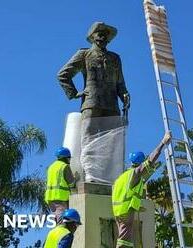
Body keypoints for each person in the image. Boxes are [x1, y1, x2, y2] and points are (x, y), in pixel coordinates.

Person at [57, 22, 130, 183]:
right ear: (92, 37)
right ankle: (90, 174)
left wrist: (124, 95)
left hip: (111, 105)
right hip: (91, 102)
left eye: (106, 35)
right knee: (88, 137)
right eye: (99, 34)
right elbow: (63, 75)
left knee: (112, 142)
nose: (103, 37)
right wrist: (75, 93)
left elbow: (120, 83)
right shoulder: (84, 54)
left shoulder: (115, 58)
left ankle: (109, 176)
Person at [112, 132, 172, 248]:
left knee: (126, 236)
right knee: (124, 238)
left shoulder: (123, 177)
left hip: (118, 210)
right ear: (140, 163)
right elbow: (150, 160)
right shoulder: (136, 173)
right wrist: (162, 143)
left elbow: (125, 194)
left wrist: (137, 206)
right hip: (125, 210)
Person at [45, 147, 79, 223]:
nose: (69, 160)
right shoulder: (64, 166)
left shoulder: (51, 167)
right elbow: (71, 183)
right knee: (61, 221)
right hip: (60, 198)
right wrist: (76, 178)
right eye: (69, 158)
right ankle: (61, 234)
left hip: (50, 198)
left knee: (56, 219)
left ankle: (58, 233)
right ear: (66, 158)